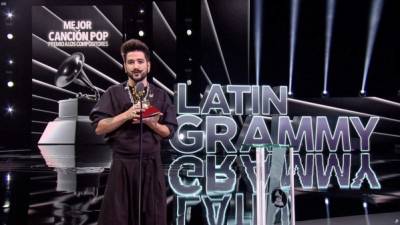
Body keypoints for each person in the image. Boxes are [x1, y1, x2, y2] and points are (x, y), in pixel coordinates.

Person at [89, 39, 177, 225]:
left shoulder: (161, 95)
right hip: (122, 166)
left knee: (153, 219)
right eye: (130, 62)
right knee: (117, 219)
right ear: (124, 66)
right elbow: (99, 127)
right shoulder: (113, 93)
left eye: (140, 61)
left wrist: (152, 123)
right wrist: (126, 114)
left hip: (151, 167)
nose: (136, 66)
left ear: (148, 65)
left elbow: (169, 132)